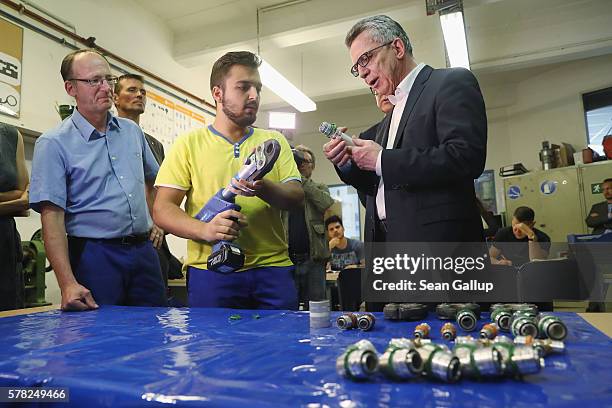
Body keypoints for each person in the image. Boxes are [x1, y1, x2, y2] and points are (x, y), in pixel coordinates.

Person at [153, 51, 304, 310]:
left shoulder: (274, 141)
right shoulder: (189, 144)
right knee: (213, 350)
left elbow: (296, 197)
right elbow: (162, 209)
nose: (254, 96)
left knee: (281, 350)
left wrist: (262, 186)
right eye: (243, 87)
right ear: (218, 93)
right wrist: (206, 230)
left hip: (273, 269)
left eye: (257, 88)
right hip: (211, 271)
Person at [323, 15, 487, 244]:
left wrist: (381, 159)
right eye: (356, 67)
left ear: (397, 48)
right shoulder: (393, 112)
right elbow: (379, 184)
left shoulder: (450, 82)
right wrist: (348, 163)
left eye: (366, 58)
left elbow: (465, 157)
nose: (362, 72)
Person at [29, 49, 166, 311]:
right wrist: (67, 283)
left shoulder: (131, 131)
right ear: (71, 88)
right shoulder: (54, 143)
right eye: (94, 81)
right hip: (95, 256)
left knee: (153, 335)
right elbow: (52, 217)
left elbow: (154, 180)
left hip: (144, 253)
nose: (105, 87)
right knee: (101, 339)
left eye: (108, 79)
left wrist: (157, 220)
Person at [113, 73, 183, 287]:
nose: (139, 95)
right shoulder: (105, 137)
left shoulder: (154, 144)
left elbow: (160, 189)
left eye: (142, 91)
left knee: (153, 310)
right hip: (115, 240)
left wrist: (160, 224)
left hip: (152, 239)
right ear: (115, 98)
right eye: (131, 90)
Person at [284, 145, 335, 309]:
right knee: (288, 308)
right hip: (287, 259)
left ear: (312, 165)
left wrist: (299, 179)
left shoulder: (319, 187)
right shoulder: (285, 189)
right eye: (298, 160)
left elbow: (325, 202)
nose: (301, 164)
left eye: (305, 161)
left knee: (317, 308)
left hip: (313, 260)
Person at [0, 123, 29, 311]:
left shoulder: (11, 135)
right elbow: (19, 198)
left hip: (5, 247)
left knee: (9, 323)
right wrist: (14, 200)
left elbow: (26, 199)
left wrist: (19, 201)